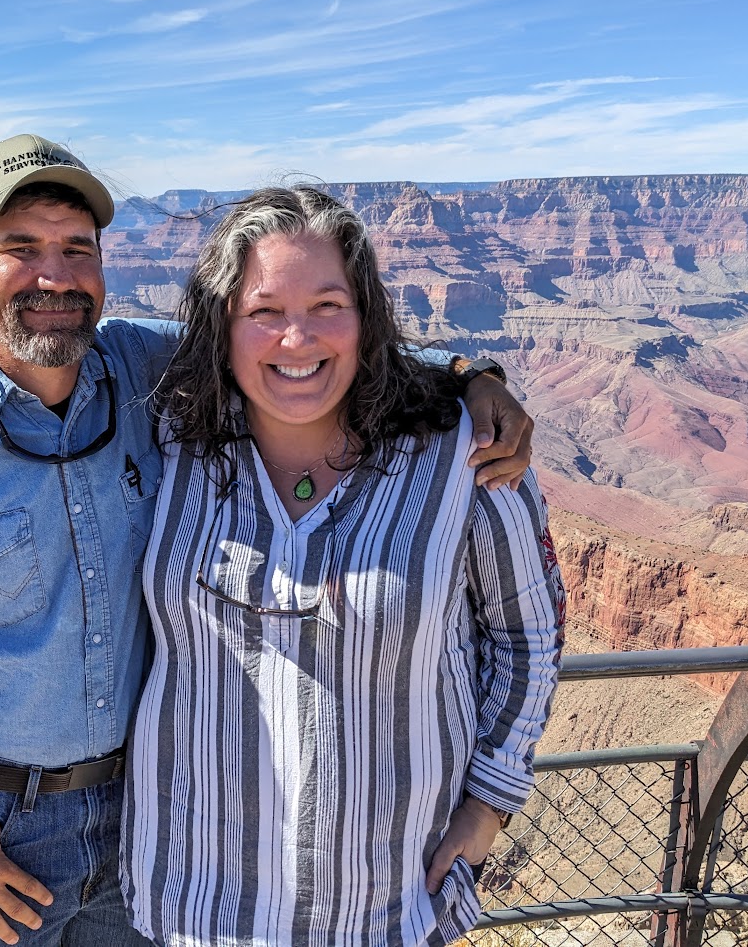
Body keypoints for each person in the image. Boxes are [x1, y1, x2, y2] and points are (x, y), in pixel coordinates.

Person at [0, 135, 535, 947]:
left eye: (78, 249)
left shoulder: (144, 368)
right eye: (21, 249)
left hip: (159, 824)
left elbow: (297, 346)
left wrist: (471, 373)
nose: (56, 276)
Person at [121, 186, 564, 946]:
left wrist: (490, 800)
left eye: (329, 304)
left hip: (381, 909)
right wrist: (471, 364)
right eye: (263, 311)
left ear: (368, 320)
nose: (297, 338)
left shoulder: (466, 453)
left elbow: (530, 635)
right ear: (222, 326)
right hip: (191, 905)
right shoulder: (168, 432)